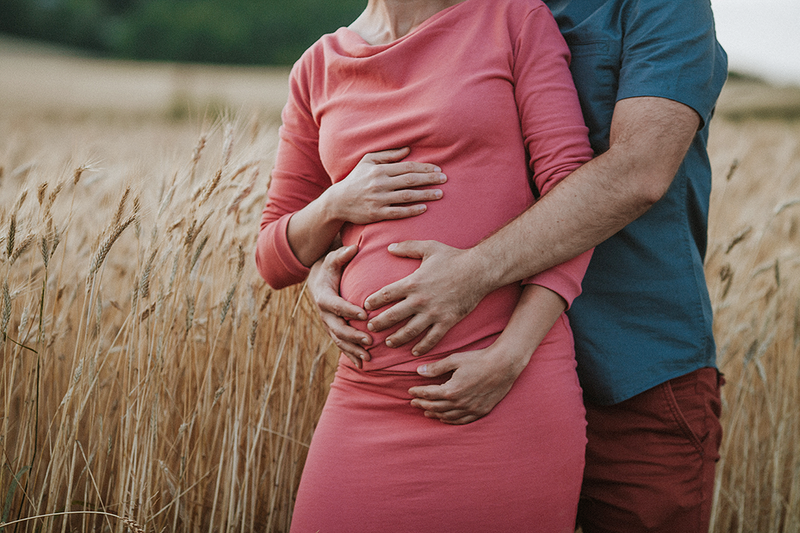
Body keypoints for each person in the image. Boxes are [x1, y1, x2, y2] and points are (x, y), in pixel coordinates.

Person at [308, 0, 729, 531]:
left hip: (633, 372)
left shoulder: (663, 7)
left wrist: (472, 273)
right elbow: (405, 137)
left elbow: (638, 173)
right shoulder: (471, 8)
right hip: (472, 374)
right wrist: (328, 259)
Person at [256, 0, 596, 530]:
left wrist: (510, 355)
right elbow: (272, 258)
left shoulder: (513, 20)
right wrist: (335, 204)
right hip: (367, 395)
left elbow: (577, 197)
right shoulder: (317, 67)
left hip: (499, 387)